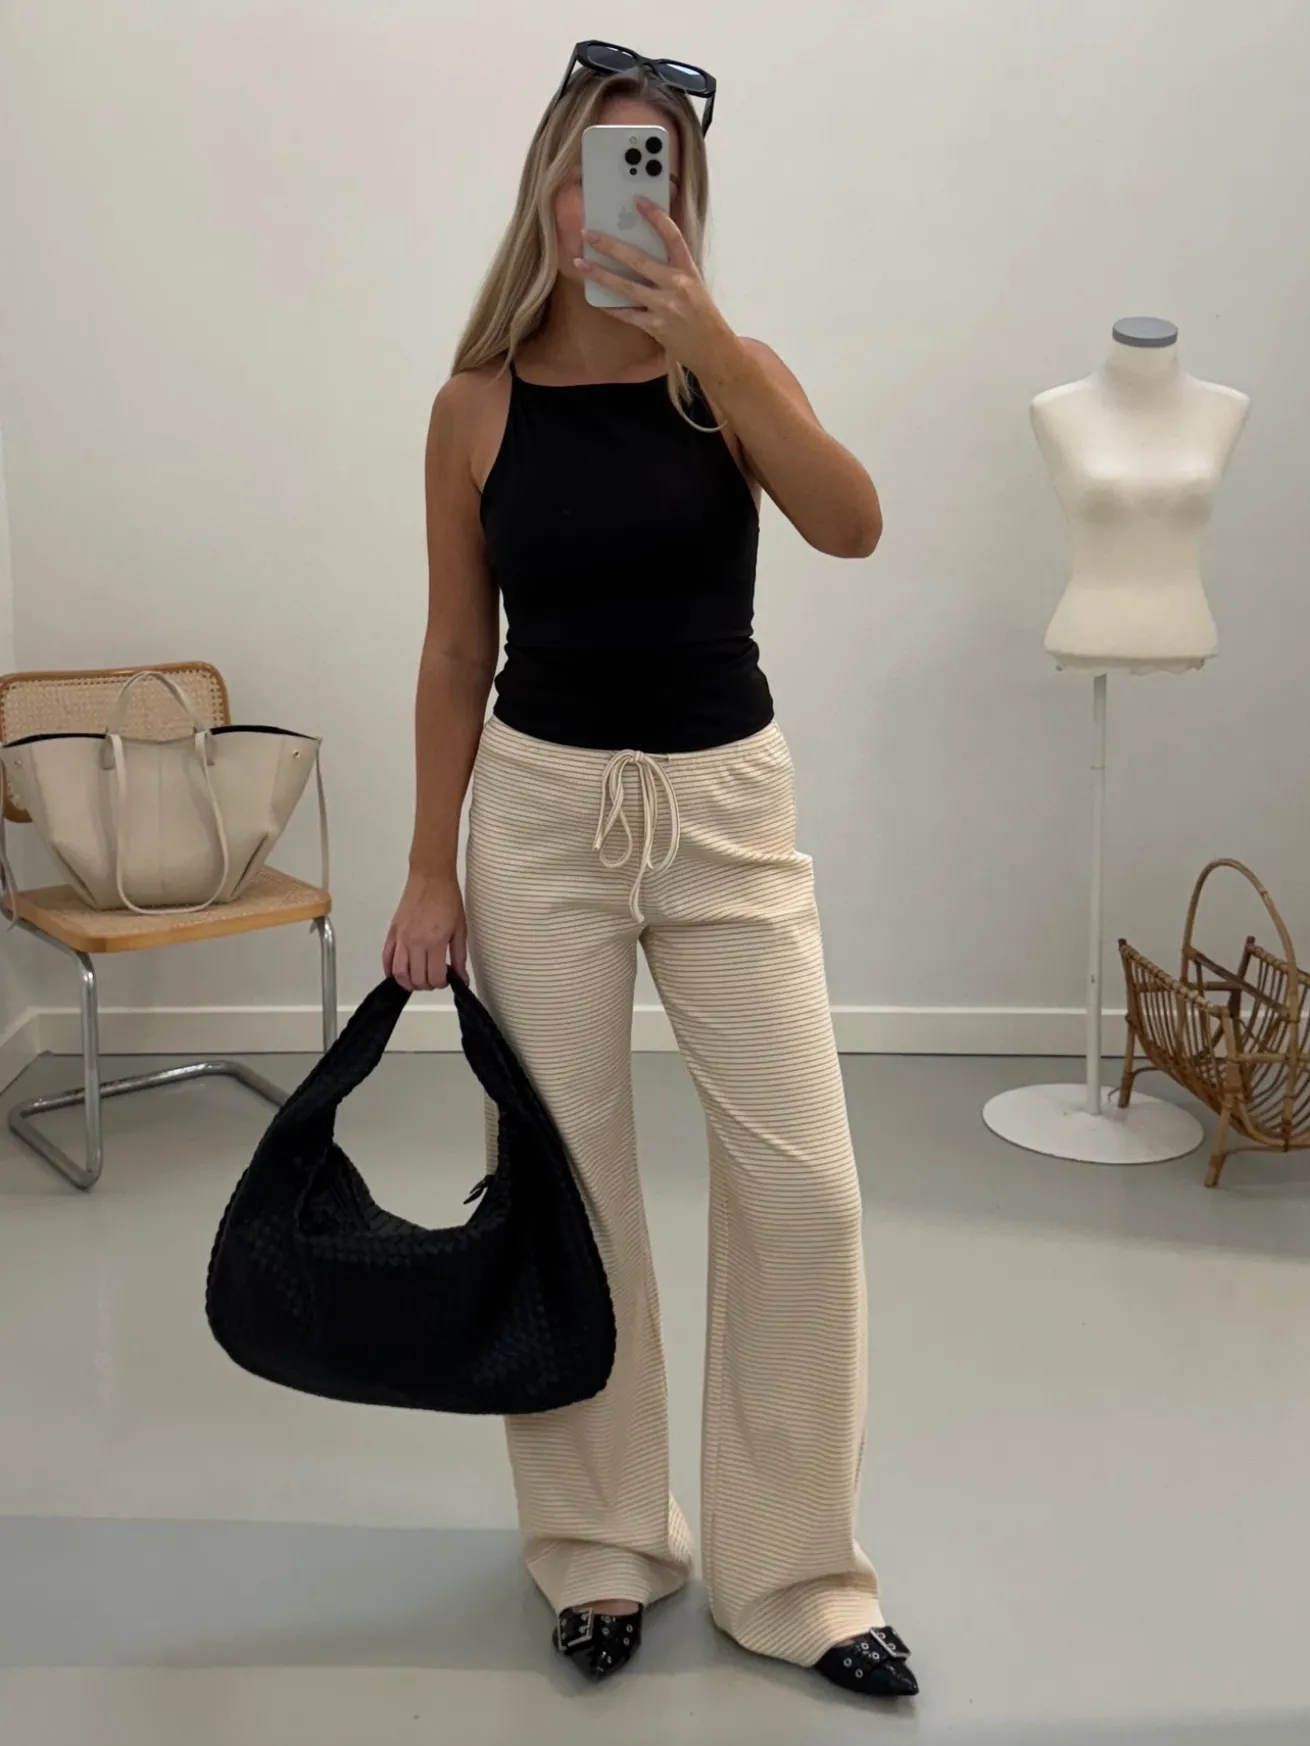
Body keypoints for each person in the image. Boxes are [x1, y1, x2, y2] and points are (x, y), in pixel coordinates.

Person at [384, 40, 917, 1700]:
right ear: (548, 189)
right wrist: (426, 869)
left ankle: (797, 1574)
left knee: (805, 1194)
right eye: (599, 167)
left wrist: (713, 352)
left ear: (683, 200)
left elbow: (852, 523)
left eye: (657, 171)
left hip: (725, 812)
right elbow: (455, 646)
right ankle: (599, 1544)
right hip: (541, 818)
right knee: (569, 1189)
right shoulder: (472, 407)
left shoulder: (729, 374)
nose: (622, 199)